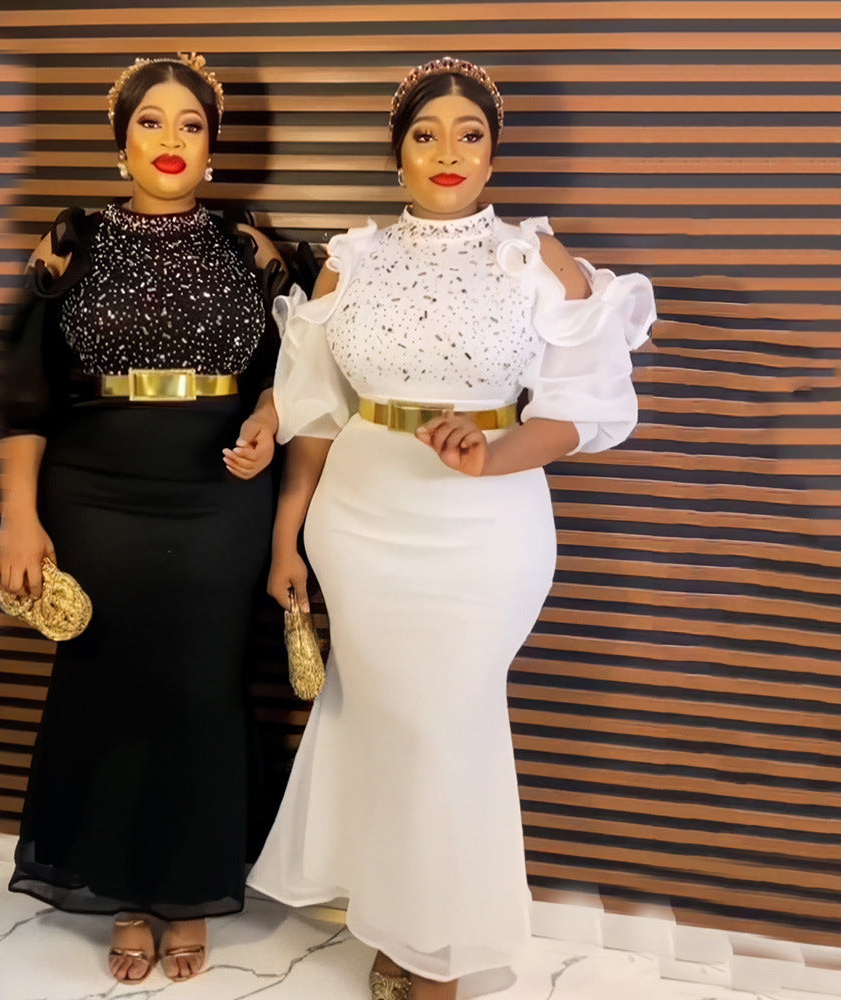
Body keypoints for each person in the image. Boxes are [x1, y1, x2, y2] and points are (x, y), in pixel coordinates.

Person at [247, 57, 656, 1000]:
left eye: (470, 134)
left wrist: (493, 452)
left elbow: (578, 409)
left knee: (448, 722)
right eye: (425, 134)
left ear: (494, 152)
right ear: (397, 154)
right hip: (359, 516)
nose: (447, 152)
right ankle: (401, 920)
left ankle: (440, 953)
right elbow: (313, 413)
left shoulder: (536, 256)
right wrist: (285, 542)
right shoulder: (357, 255)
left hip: (487, 521)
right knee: (385, 716)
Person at [0, 53, 287, 985]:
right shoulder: (73, 239)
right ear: (121, 142)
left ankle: (192, 888)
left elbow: (316, 357)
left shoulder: (253, 244)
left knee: (203, 688)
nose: (169, 139)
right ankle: (124, 887)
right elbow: (27, 388)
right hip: (93, 490)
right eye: (150, 122)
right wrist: (17, 519)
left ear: (212, 146)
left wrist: (270, 419)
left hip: (222, 492)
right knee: (110, 686)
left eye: (190, 124)